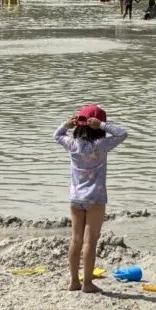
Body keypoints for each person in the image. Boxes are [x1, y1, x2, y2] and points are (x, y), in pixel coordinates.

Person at [54, 105, 128, 293]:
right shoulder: (101, 146)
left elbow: (56, 135)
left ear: (78, 126)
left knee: (76, 239)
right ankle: (87, 283)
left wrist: (66, 124)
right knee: (90, 242)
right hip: (96, 197)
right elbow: (122, 133)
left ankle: (73, 281)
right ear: (96, 127)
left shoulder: (72, 144)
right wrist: (103, 125)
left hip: (76, 197)